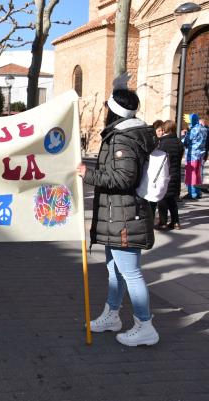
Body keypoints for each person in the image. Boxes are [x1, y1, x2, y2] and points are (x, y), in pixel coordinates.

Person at [76, 87, 159, 347]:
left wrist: (86, 174)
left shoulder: (123, 138)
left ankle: (145, 326)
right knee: (114, 270)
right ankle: (112, 315)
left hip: (125, 216)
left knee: (130, 273)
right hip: (117, 215)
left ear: (113, 111)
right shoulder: (124, 134)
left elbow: (125, 178)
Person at [156, 120, 184, 230]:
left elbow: (159, 160)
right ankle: (175, 222)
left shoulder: (163, 143)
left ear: (165, 129)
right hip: (176, 174)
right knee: (172, 199)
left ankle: (163, 222)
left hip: (165, 174)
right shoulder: (179, 142)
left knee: (162, 198)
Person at [181, 113, 206, 200]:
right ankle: (198, 192)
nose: (188, 123)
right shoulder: (203, 129)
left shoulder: (193, 130)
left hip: (192, 155)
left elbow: (185, 142)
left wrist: (183, 135)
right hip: (200, 155)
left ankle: (192, 193)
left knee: (191, 175)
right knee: (197, 174)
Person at [149, 120, 164, 219]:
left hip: (161, 174)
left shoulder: (164, 142)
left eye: (163, 130)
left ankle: (158, 219)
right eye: (159, 130)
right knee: (152, 198)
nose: (161, 132)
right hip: (151, 173)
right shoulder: (151, 141)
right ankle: (151, 218)